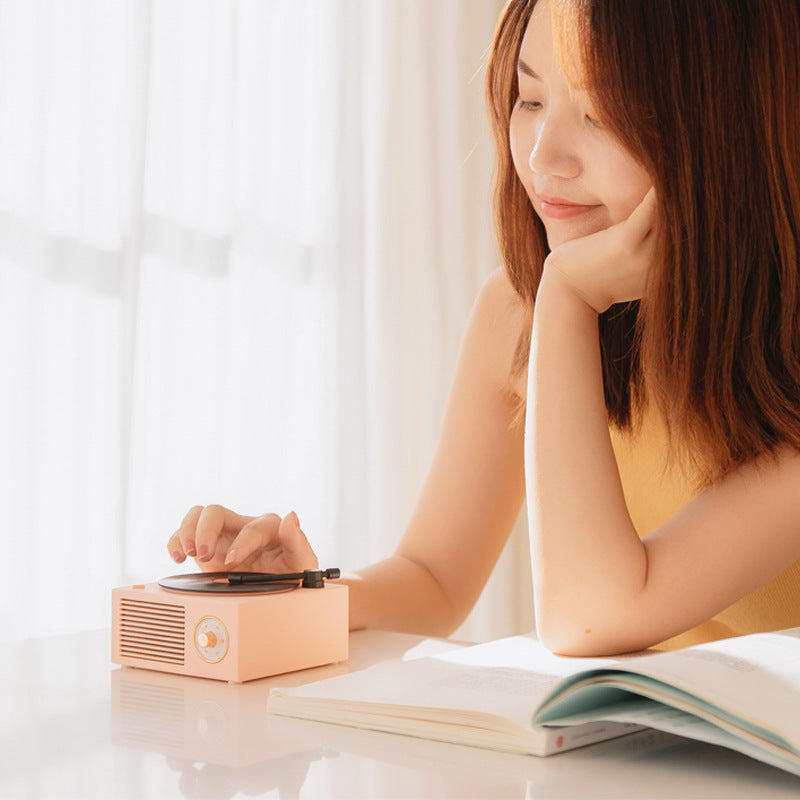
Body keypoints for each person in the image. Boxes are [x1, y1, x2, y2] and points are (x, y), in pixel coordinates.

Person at [167, 0, 800, 656]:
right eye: (529, 99)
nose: (544, 156)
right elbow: (435, 579)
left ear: (727, 132)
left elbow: (589, 616)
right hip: (635, 753)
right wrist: (308, 593)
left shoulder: (578, 310)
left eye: (602, 113)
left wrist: (567, 300)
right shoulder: (518, 314)